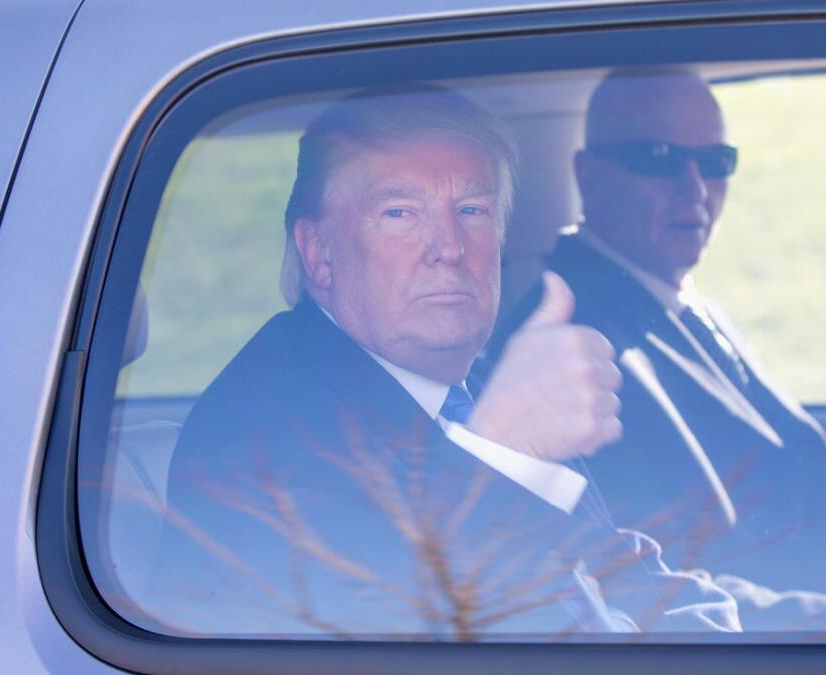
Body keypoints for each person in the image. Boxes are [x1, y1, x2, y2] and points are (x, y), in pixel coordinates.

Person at [140, 84, 739, 639]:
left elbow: (604, 566)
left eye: (472, 211)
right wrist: (502, 456)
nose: (450, 248)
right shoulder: (258, 433)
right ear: (319, 253)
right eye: (401, 213)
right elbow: (399, 635)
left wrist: (726, 634)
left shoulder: (468, 383)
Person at [492, 67, 826, 631]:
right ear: (588, 178)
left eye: (715, 163)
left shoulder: (668, 293)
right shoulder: (571, 354)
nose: (695, 190)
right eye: (660, 159)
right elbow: (658, 585)